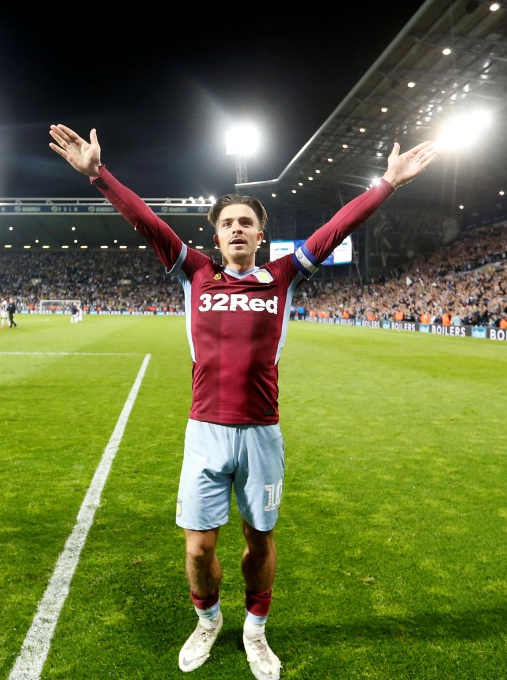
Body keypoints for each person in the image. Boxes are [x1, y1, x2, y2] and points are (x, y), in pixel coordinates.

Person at [49, 123, 437, 680]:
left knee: (260, 539)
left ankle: (255, 631)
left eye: (246, 223)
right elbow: (146, 222)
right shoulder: (195, 274)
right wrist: (99, 176)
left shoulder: (281, 277)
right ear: (216, 235)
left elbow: (334, 229)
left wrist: (388, 185)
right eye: (227, 223)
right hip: (205, 429)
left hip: (261, 432)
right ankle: (208, 620)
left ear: (260, 235)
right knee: (199, 549)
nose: (236, 229)